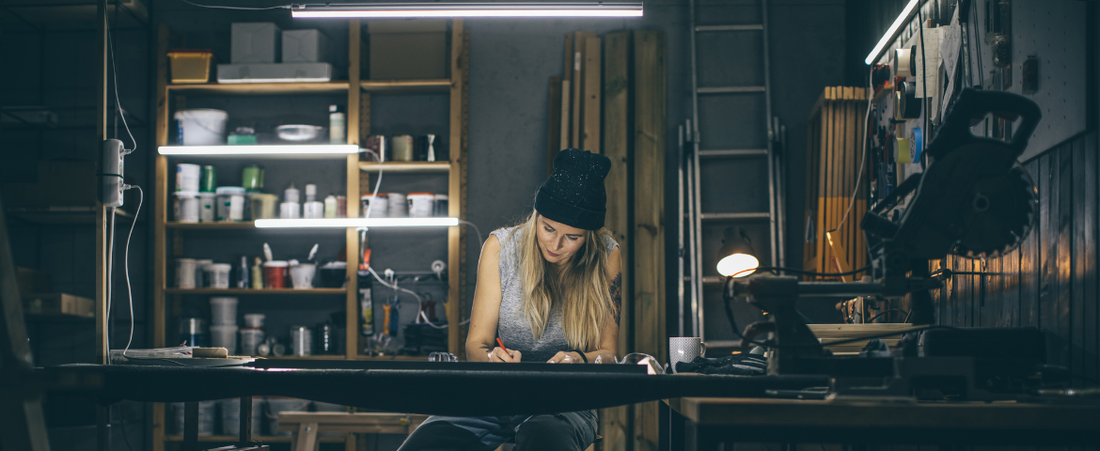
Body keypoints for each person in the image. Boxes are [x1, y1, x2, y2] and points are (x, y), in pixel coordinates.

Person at [398, 149, 623, 451]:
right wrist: (492, 358)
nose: (555, 245)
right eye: (548, 229)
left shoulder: (606, 255)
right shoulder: (501, 248)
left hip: (567, 402)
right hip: (497, 394)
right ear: (536, 217)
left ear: (589, 237)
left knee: (542, 440)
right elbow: (475, 345)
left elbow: (609, 353)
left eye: (573, 237)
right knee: (426, 445)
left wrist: (580, 359)